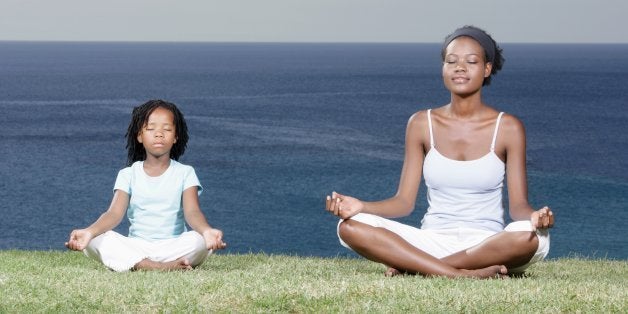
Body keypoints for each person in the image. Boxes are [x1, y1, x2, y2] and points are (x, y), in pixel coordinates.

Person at [325, 25, 554, 279]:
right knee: (349, 227)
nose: (460, 67)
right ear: (443, 68)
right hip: (430, 240)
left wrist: (534, 217)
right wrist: (361, 206)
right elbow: (403, 202)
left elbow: (518, 206)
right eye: (451, 61)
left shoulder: (509, 127)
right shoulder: (421, 123)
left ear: (487, 69)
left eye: (471, 61)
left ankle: (418, 267)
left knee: (529, 237)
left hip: (488, 245)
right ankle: (460, 274)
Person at [65, 99, 226, 271]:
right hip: (137, 246)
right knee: (95, 240)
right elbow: (114, 213)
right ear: (139, 136)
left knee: (199, 240)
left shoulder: (185, 172)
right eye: (150, 129)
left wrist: (207, 231)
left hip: (174, 246)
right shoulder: (127, 174)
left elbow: (192, 212)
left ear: (176, 137)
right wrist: (89, 231)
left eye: (167, 129)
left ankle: (140, 264)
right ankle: (153, 266)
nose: (159, 134)